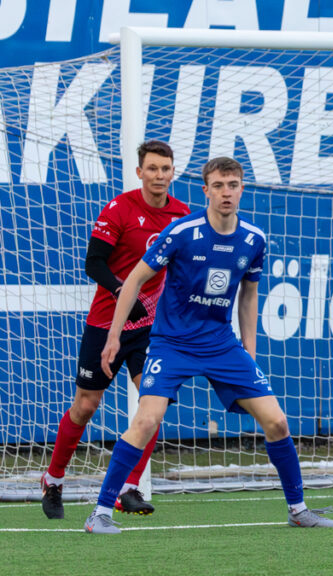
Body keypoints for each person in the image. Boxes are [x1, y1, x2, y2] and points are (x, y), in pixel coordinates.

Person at [82, 157, 333, 533]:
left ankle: (298, 509)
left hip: (221, 345)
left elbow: (249, 295)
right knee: (147, 420)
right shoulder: (181, 231)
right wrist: (114, 336)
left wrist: (250, 350)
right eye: (218, 186)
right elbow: (134, 279)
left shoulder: (253, 239)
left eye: (232, 185)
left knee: (277, 421)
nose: (225, 193)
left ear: (242, 189)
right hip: (171, 345)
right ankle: (100, 512)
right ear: (206, 190)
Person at [40, 140, 190, 520]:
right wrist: (123, 291)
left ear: (173, 172)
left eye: (165, 169)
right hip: (106, 322)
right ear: (139, 172)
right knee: (85, 406)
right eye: (152, 168)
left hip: (151, 329)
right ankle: (53, 479)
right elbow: (94, 263)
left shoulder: (182, 215)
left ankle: (128, 488)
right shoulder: (119, 208)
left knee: (154, 405)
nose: (159, 175)